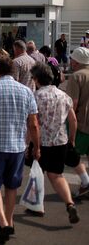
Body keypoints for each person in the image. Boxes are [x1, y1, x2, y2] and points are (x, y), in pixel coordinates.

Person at [0, 57, 40, 244]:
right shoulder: (27, 91)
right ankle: (9, 220)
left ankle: (3, 221)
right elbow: (34, 124)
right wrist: (36, 146)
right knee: (12, 185)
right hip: (18, 146)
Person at [30, 63, 79, 223]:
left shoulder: (35, 96)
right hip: (60, 141)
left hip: (41, 141)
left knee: (38, 173)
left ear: (37, 79)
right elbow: (73, 120)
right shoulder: (63, 95)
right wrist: (71, 139)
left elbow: (33, 123)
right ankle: (69, 203)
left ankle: (38, 206)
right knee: (57, 175)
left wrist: (31, 145)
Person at [66, 47, 89, 198]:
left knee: (71, 155)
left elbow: (71, 104)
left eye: (72, 59)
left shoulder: (76, 77)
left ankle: (86, 182)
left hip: (81, 123)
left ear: (76, 61)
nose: (71, 62)